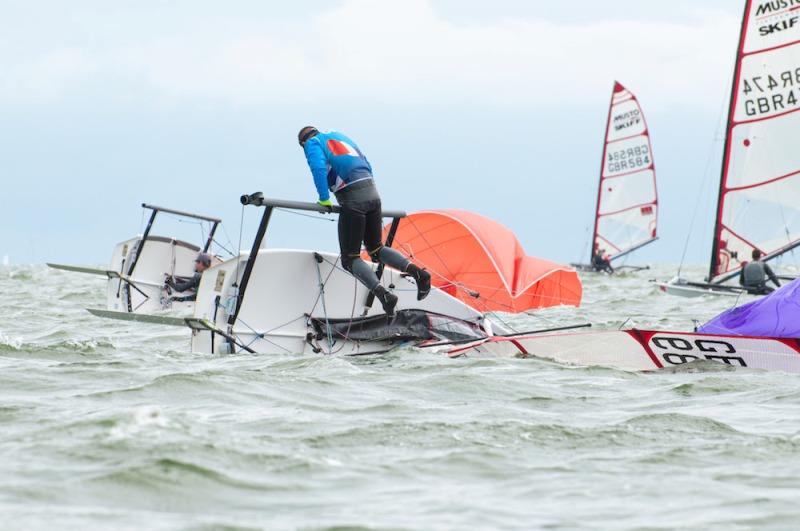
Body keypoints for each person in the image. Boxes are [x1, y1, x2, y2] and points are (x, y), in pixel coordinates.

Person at [298, 126, 431, 317]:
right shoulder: (338, 136)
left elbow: (318, 168)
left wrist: (324, 198)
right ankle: (420, 274)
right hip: (373, 194)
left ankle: (384, 296)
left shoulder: (312, 143)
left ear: (303, 143)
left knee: (350, 259)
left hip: (353, 201)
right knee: (376, 248)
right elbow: (366, 162)